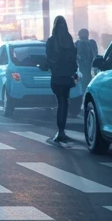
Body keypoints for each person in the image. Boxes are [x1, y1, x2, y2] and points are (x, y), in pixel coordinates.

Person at [44, 15, 79, 145]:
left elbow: (49, 59)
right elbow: (74, 59)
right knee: (65, 103)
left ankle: (61, 131)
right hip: (67, 77)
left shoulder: (52, 41)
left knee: (61, 103)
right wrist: (73, 71)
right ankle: (62, 131)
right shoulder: (69, 40)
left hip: (57, 77)